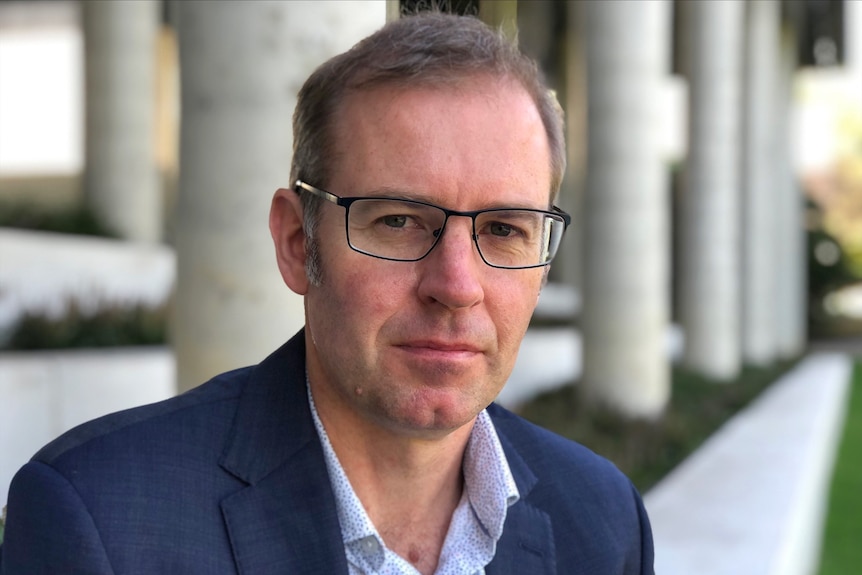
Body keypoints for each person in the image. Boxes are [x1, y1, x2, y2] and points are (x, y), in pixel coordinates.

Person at [0, 12, 653, 575]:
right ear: (295, 243)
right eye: (398, 220)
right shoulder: (100, 521)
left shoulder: (600, 516)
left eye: (506, 229)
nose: (456, 286)